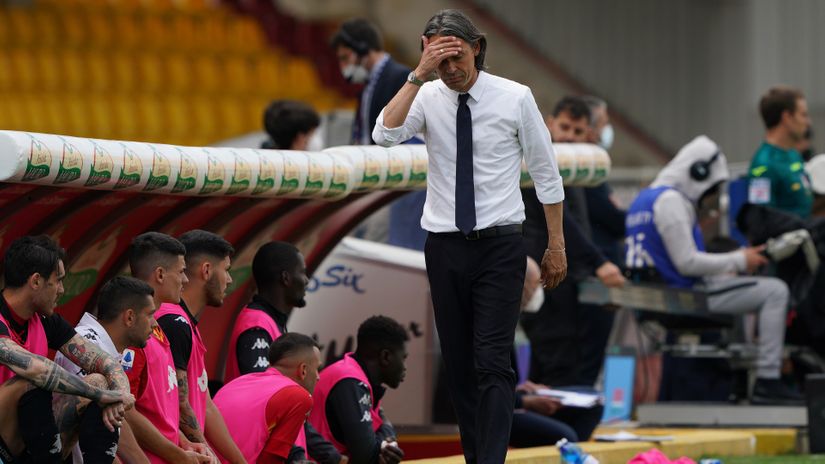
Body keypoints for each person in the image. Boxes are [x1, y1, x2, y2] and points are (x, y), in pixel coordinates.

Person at [373, 9, 566, 462]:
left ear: (477, 47)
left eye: (456, 57)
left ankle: (491, 459)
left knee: (492, 359)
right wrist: (418, 75)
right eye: (440, 60)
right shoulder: (426, 93)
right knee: (459, 362)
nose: (451, 69)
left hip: (501, 243)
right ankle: (476, 454)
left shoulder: (515, 96)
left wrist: (555, 244)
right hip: (444, 246)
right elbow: (384, 135)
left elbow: (546, 173)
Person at [625, 135, 800, 404]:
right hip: (684, 297)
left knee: (743, 287)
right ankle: (767, 380)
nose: (711, 196)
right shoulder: (670, 201)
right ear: (698, 172)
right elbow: (688, 263)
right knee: (775, 291)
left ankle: (740, 382)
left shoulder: (644, 199)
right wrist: (740, 259)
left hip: (662, 297)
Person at [0, 235, 134, 464]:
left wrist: (117, 395)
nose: (62, 290)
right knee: (32, 379)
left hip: (26, 437)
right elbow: (37, 371)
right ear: (35, 281)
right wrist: (100, 395)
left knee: (99, 381)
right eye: (58, 280)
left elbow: (106, 362)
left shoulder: (44, 320)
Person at [522, 96, 624, 389]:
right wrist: (600, 262)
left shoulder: (572, 169)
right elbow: (565, 223)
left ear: (589, 136)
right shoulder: (539, 163)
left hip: (567, 281)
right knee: (559, 365)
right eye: (565, 127)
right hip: (549, 281)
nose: (569, 136)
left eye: (578, 132)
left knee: (557, 366)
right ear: (550, 125)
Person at [225, 241, 344, 464]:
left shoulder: (271, 323)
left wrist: (331, 456)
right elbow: (268, 404)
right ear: (286, 278)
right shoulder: (256, 325)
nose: (307, 280)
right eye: (302, 272)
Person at [155, 230, 246, 463]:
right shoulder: (172, 322)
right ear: (206, 270)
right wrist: (210, 456)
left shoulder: (186, 325)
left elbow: (206, 407)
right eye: (226, 270)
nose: (229, 279)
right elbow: (180, 404)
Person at [127, 232, 212, 463]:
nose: (185, 280)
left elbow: (163, 414)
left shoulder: (156, 328)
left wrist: (186, 443)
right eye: (181, 271)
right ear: (161, 275)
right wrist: (178, 455)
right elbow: (125, 412)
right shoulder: (132, 335)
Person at [54, 276, 157, 464]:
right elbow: (85, 435)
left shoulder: (108, 349)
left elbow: (111, 424)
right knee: (97, 383)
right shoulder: (85, 344)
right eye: (150, 315)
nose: (155, 324)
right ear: (129, 317)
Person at [511, 258, 603, 447]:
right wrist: (526, 401)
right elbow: (481, 392)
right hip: (499, 410)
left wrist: (525, 390)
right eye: (536, 284)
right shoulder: (493, 325)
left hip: (512, 399)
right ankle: (568, 450)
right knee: (566, 435)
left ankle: (574, 455)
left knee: (592, 402)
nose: (539, 292)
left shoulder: (511, 321)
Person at [309, 316, 407, 464]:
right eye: (403, 358)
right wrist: (386, 433)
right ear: (385, 356)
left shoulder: (358, 378)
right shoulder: (349, 380)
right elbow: (365, 456)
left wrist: (382, 440)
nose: (405, 367)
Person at [216, 333, 322, 464]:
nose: (318, 377)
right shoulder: (300, 397)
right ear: (303, 370)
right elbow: (271, 459)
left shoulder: (238, 382)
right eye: (317, 368)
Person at [331, 18, 412, 146]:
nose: (342, 66)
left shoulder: (400, 76)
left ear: (362, 48)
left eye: (345, 57)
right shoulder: (367, 83)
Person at [748, 86, 813, 218]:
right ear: (787, 117)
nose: (808, 122)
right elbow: (761, 221)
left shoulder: (793, 155)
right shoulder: (764, 164)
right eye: (803, 115)